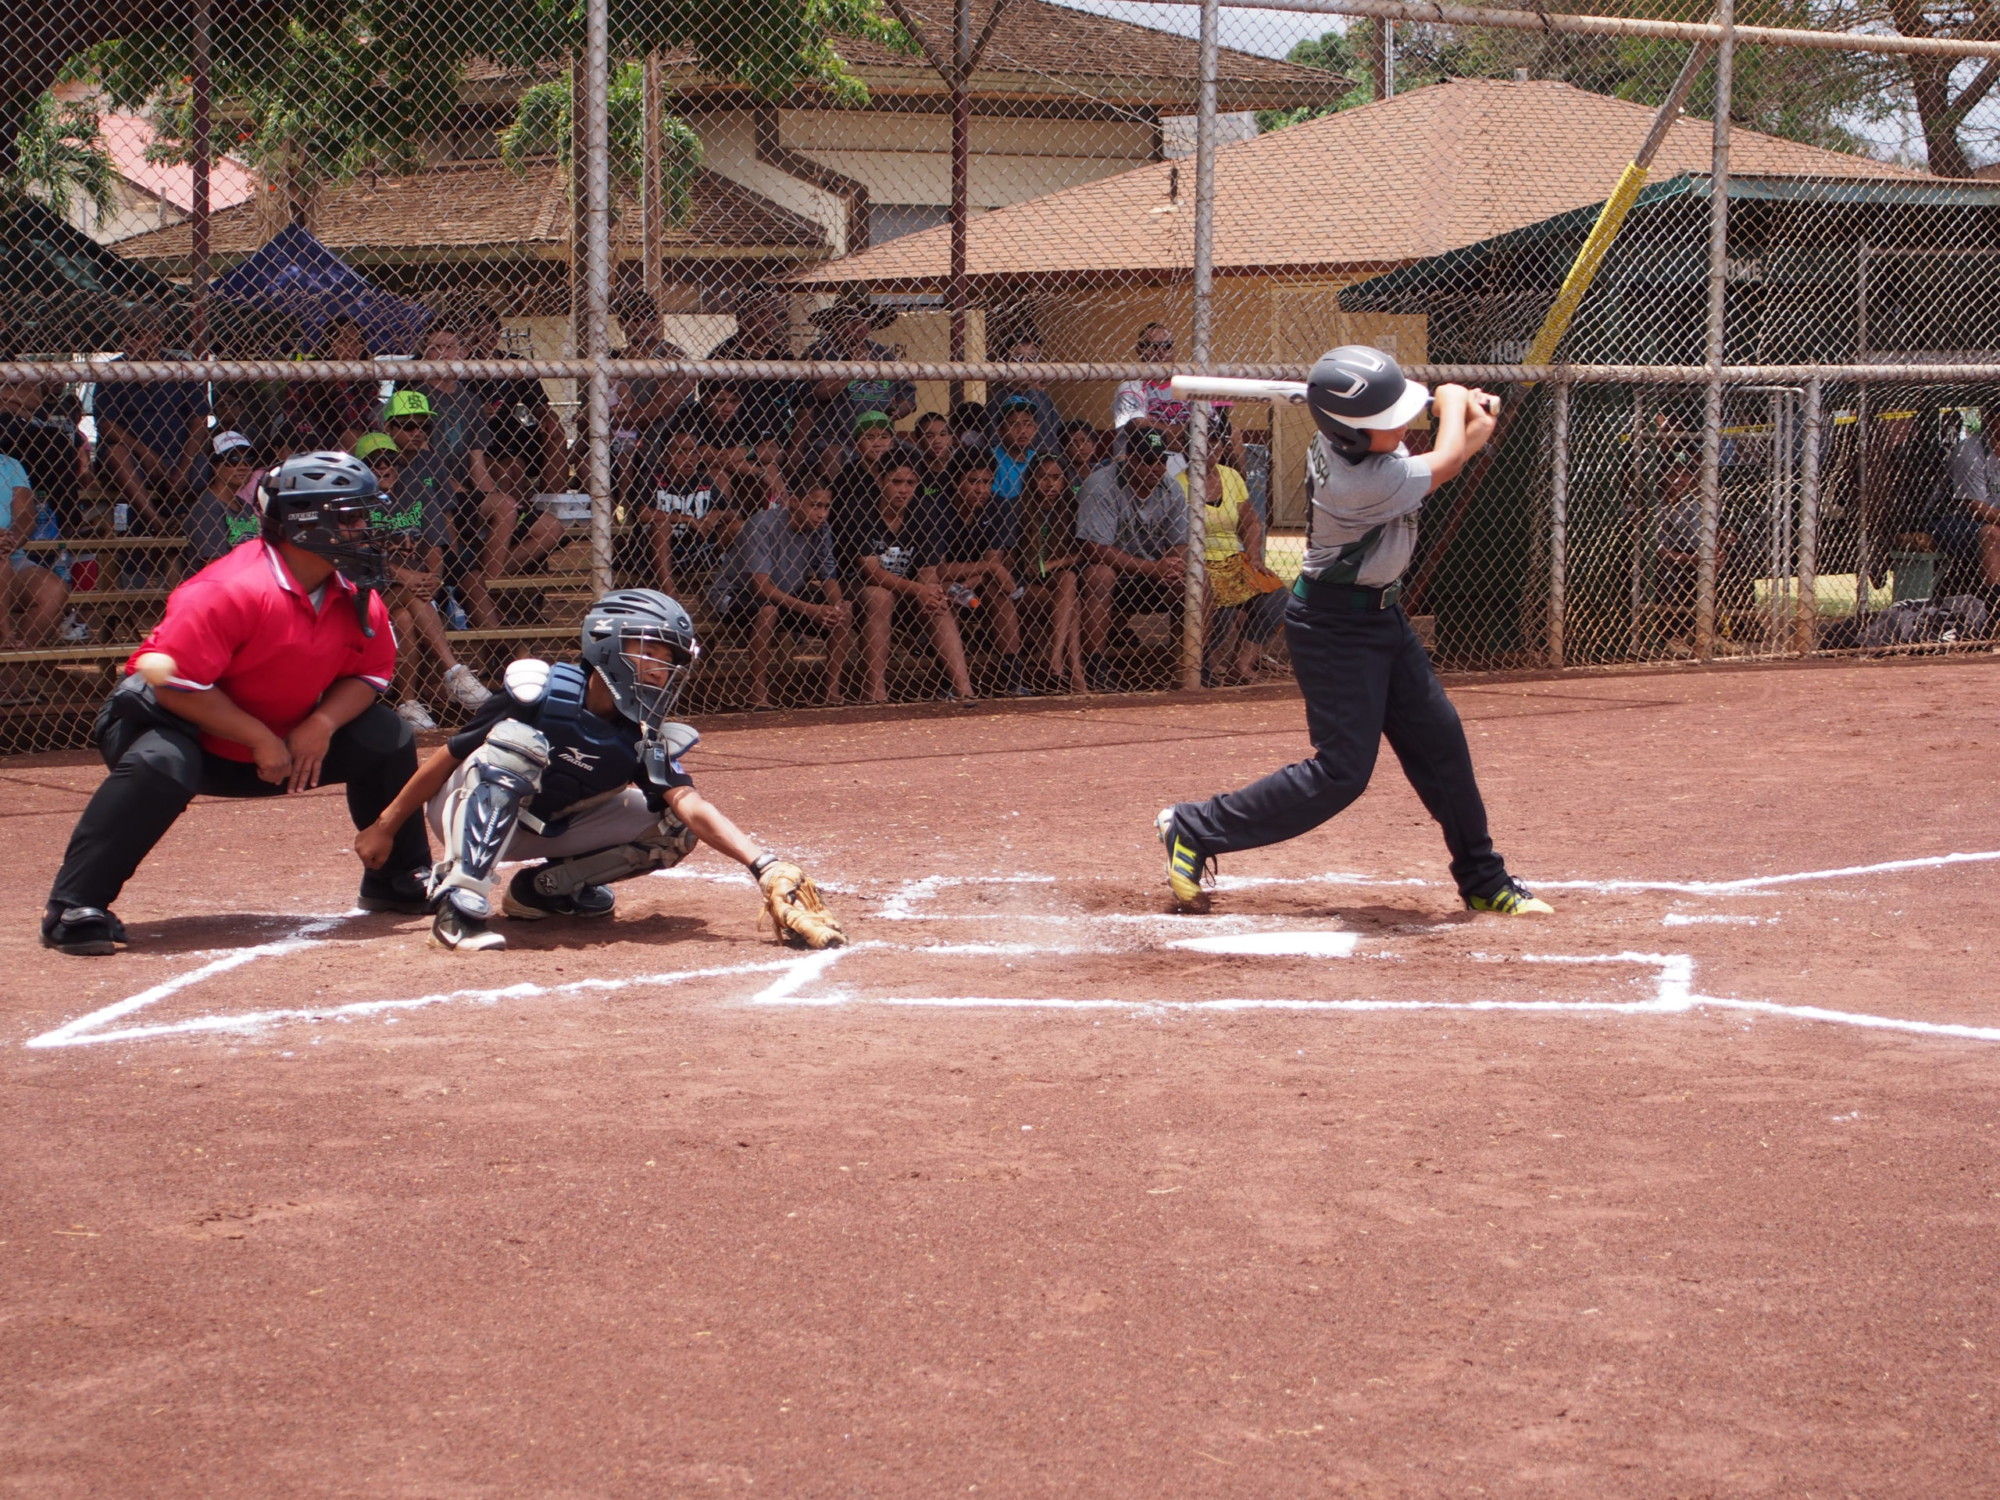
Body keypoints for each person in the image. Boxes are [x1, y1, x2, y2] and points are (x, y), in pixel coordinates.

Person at [1156, 346, 1552, 918]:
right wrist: (1460, 404)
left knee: (1441, 744)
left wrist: (1460, 417)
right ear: (1352, 436)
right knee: (1342, 773)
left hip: (1379, 618)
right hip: (1335, 627)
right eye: (1386, 422)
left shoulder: (1352, 447)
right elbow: (1447, 459)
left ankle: (1482, 879)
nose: (1400, 426)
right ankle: (1195, 827)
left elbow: (1447, 452)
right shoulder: (1361, 481)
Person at [39, 451, 435, 955]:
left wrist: (321, 722)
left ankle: (396, 879)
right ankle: (74, 905)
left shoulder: (355, 592)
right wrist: (258, 737)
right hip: (175, 724)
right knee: (161, 762)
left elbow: (368, 674)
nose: (364, 528)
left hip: (281, 741)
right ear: (304, 523)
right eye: (349, 517)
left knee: (388, 736)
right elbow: (170, 684)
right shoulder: (228, 589)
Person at [357, 589, 845, 953]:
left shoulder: (642, 729)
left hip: (546, 826)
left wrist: (763, 864)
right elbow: (450, 755)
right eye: (651, 652)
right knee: (514, 745)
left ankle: (545, 892)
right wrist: (385, 826)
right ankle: (458, 907)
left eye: (669, 659)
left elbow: (690, 805)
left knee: (673, 827)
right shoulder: (538, 689)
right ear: (608, 645)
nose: (661, 668)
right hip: (467, 808)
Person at [354, 431, 491, 729]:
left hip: (414, 593)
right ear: (362, 469)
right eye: (373, 462)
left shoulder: (415, 492)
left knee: (406, 616)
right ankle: (454, 672)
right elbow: (363, 554)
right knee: (411, 596)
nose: (382, 467)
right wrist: (408, 576)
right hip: (371, 597)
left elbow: (435, 544)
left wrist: (432, 580)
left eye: (389, 460)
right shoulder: (356, 504)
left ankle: (409, 704)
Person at [841, 451, 975, 703]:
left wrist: (929, 592)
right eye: (896, 482)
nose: (903, 490)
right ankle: (876, 692)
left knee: (940, 600)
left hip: (908, 591)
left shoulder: (923, 512)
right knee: (881, 596)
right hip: (859, 591)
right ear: (881, 481)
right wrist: (919, 590)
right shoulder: (860, 510)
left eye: (910, 483)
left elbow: (927, 571)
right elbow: (870, 572)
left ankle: (964, 689)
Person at [710, 479, 853, 708]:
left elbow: (828, 577)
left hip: (787, 594)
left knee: (844, 612)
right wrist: (812, 610)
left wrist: (837, 607)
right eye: (815, 506)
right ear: (795, 502)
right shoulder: (763, 525)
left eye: (826, 507)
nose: (821, 514)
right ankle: (758, 696)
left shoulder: (821, 529)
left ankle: (832, 694)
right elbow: (762, 588)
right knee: (768, 610)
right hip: (737, 593)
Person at [1076, 426, 1186, 691]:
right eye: (1148, 460)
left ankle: (1192, 665)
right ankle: (1095, 665)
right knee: (1100, 574)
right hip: (1113, 572)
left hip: (1154, 574)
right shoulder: (1100, 485)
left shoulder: (1172, 489)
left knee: (1197, 579)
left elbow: (1180, 543)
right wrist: (1153, 568)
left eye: (1161, 460)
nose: (1157, 467)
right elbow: (1095, 549)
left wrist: (1174, 565)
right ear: (1130, 459)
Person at [93, 310, 210, 534]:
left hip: (178, 456)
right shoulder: (112, 371)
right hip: (133, 458)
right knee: (116, 452)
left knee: (205, 463)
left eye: (137, 335)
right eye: (125, 334)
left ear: (157, 336)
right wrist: (144, 453)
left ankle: (191, 523)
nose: (128, 340)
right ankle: (156, 520)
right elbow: (106, 424)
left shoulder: (179, 366)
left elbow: (198, 420)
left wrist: (184, 468)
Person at [1179, 443, 1285, 685]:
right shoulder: (1177, 484)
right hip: (1199, 561)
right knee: (1222, 606)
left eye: (1214, 441)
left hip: (1235, 558)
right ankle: (1204, 661)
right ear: (1187, 448)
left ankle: (1242, 663)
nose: (1210, 448)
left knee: (1276, 597)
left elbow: (1250, 522)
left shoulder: (1231, 475)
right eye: (1202, 441)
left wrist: (1254, 557)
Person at [928, 452, 1030, 696]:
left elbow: (993, 561)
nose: (981, 489)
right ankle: (948, 678)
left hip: (979, 581)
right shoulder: (936, 508)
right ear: (956, 481)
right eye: (973, 481)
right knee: (950, 592)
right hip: (944, 582)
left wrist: (988, 571)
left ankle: (1011, 674)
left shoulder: (997, 506)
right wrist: (992, 568)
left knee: (1000, 592)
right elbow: (939, 569)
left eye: (986, 482)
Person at [800, 298, 913, 461]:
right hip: (834, 438)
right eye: (851, 318)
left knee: (913, 456)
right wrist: (853, 369)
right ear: (836, 321)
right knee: (834, 457)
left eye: (866, 318)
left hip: (880, 436)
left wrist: (898, 410)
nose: (859, 324)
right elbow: (817, 393)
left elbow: (908, 398)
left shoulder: (884, 355)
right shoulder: (819, 352)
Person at [643, 428, 747, 598]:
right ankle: (670, 593)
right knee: (662, 525)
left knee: (739, 527)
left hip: (698, 548)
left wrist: (717, 514)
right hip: (661, 551)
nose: (689, 458)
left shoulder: (703, 480)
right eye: (680, 452)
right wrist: (687, 519)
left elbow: (736, 514)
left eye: (693, 452)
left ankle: (734, 585)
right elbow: (643, 513)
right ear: (666, 456)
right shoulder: (654, 478)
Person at [1016, 453, 1087, 694]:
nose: (1050, 484)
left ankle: (1056, 661)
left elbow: (1084, 553)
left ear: (1065, 481)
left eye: (1056, 478)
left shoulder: (1071, 509)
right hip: (1023, 586)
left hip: (1056, 581)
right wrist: (1043, 568)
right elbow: (1024, 567)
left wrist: (1051, 564)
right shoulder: (1019, 508)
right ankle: (1074, 674)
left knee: (1068, 580)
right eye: (1043, 477)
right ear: (1032, 479)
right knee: (1071, 604)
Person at [0, 446, 68, 678]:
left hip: (9, 554)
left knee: (54, 590)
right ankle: (5, 637)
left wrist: (11, 540)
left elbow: (26, 515)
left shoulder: (10, 465)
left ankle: (10, 673)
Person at [285, 316, 381, 453]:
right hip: (312, 433)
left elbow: (354, 421)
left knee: (352, 436)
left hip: (349, 437)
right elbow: (292, 414)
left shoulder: (367, 379)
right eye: (345, 341)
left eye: (357, 343)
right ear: (329, 343)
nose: (351, 348)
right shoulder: (308, 373)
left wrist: (340, 382)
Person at [1111, 322, 1189, 460]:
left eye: (1167, 346)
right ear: (1139, 350)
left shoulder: (1188, 385)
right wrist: (1185, 434)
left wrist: (1155, 429)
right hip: (1144, 463)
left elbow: (1205, 428)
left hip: (1188, 464)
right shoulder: (1130, 388)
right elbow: (1142, 432)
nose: (1161, 352)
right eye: (1153, 346)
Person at [185, 431, 265, 564]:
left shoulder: (245, 506)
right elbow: (214, 563)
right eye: (232, 461)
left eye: (248, 460)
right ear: (215, 467)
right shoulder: (208, 507)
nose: (243, 467)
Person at [989, 335, 1063, 453]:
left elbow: (1058, 439)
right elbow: (994, 444)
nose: (1026, 365)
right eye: (1018, 358)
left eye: (1032, 359)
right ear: (1004, 362)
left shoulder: (1044, 399)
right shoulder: (998, 401)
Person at [990, 395, 1041, 519]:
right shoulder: (991, 459)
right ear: (1000, 430)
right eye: (1014, 424)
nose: (1022, 430)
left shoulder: (1038, 460)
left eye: (1027, 424)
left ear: (1035, 429)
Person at [1060, 419, 1105, 486]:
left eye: (1085, 441)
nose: (1080, 447)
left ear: (1094, 446)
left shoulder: (1100, 470)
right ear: (1063, 450)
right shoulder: (1063, 476)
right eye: (1073, 443)